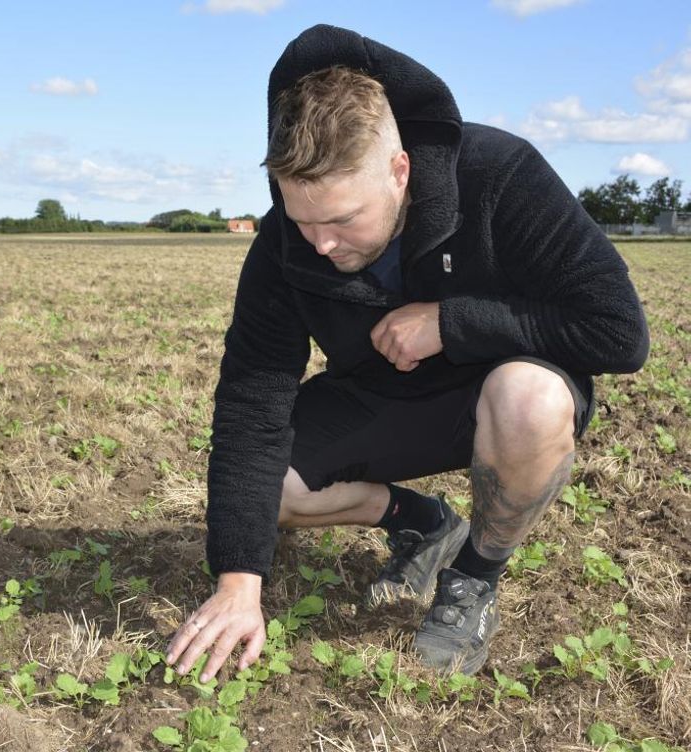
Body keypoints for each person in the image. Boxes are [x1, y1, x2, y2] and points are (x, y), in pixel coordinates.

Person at [166, 24, 649, 680]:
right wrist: (238, 582)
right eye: (301, 218)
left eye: (341, 220)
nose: (321, 244)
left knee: (528, 399)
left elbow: (618, 333)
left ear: (400, 171)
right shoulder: (285, 246)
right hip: (384, 396)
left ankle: (474, 577)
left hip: (504, 389)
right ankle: (421, 522)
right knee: (268, 487)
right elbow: (253, 403)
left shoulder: (499, 175)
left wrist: (455, 323)